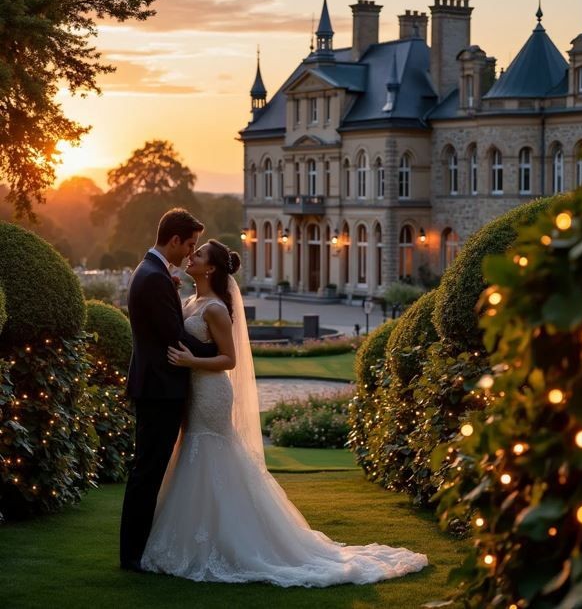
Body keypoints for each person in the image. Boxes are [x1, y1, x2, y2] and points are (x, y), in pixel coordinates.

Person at [140, 238, 428, 586]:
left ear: (211, 267)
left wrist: (191, 361)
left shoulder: (215, 308)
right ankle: (197, 536)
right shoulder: (190, 300)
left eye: (198, 254)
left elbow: (229, 359)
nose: (191, 256)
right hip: (193, 392)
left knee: (212, 455)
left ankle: (233, 543)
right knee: (192, 454)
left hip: (212, 391)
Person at [120, 209, 219, 572]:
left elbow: (166, 325)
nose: (190, 252)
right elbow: (173, 337)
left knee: (146, 471)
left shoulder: (152, 273)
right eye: (189, 244)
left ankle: (135, 551)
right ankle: (132, 556)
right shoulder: (154, 277)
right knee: (147, 473)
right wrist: (219, 354)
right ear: (174, 240)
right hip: (160, 390)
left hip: (155, 387)